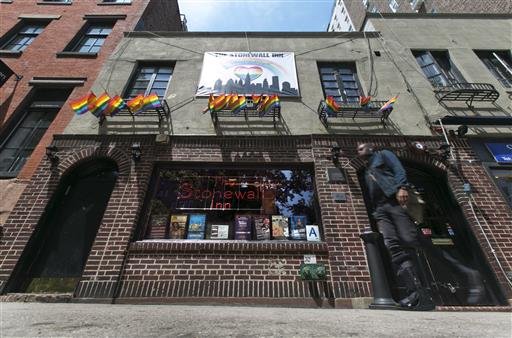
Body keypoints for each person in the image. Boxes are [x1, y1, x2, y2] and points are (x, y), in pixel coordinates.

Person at [357, 143, 435, 310]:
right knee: (391, 244)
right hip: (380, 209)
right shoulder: (366, 170)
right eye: (358, 149)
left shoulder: (384, 154)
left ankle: (425, 291)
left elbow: (398, 169)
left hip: (395, 201)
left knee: (408, 239)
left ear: (371, 148)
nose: (359, 151)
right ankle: (414, 292)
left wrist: (402, 187)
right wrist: (376, 214)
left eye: (362, 148)